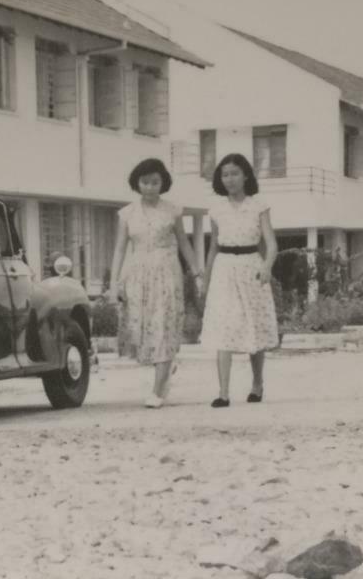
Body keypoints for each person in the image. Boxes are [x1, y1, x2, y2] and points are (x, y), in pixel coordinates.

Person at [106, 157, 204, 408]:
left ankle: (157, 390)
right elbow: (119, 249)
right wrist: (114, 283)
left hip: (167, 273)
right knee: (144, 329)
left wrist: (196, 272)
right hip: (137, 275)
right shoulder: (127, 213)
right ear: (137, 183)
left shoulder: (173, 210)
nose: (150, 187)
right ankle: (167, 367)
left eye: (155, 182)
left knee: (163, 325)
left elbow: (184, 243)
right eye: (145, 182)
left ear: (163, 184)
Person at [200, 152, 280, 407]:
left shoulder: (259, 206)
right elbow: (213, 247)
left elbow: (271, 243)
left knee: (252, 324)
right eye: (225, 175)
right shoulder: (216, 209)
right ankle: (223, 392)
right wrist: (206, 280)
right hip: (224, 268)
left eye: (235, 174)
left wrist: (267, 266)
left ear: (245, 175)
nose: (230, 179)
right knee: (224, 326)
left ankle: (257, 384)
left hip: (251, 267)